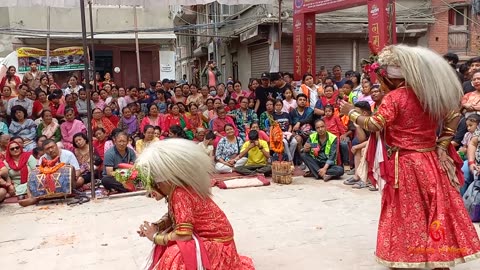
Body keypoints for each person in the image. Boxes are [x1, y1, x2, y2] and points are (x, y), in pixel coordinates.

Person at [340, 44, 480, 268]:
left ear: (391, 78)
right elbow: (454, 114)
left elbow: (375, 123)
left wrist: (352, 112)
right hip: (430, 159)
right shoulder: (429, 94)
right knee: (434, 208)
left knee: (408, 211)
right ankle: (438, 257)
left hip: (405, 163)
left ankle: (407, 257)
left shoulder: (396, 98)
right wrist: (442, 145)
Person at [134, 139, 255, 269]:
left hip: (218, 246)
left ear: (166, 180)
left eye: (155, 184)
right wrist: (157, 226)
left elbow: (183, 235)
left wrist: (155, 237)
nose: (151, 191)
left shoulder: (180, 193)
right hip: (218, 241)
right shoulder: (178, 189)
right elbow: (175, 216)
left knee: (175, 254)